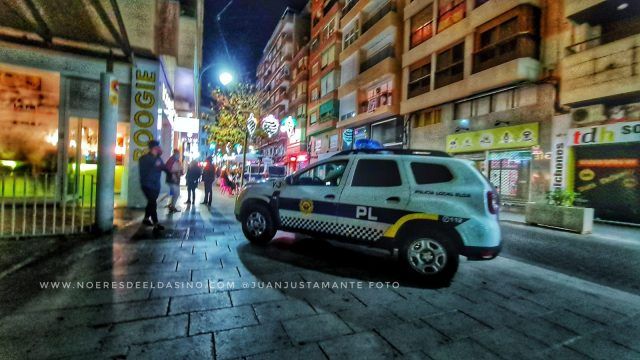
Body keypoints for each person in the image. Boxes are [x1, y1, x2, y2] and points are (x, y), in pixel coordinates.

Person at [138, 140, 165, 232]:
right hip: (147, 185)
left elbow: (163, 167)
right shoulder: (145, 158)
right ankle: (156, 223)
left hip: (156, 185)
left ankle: (146, 219)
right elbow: (146, 170)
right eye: (157, 147)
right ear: (153, 148)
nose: (159, 149)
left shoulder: (158, 158)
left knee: (151, 202)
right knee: (153, 203)